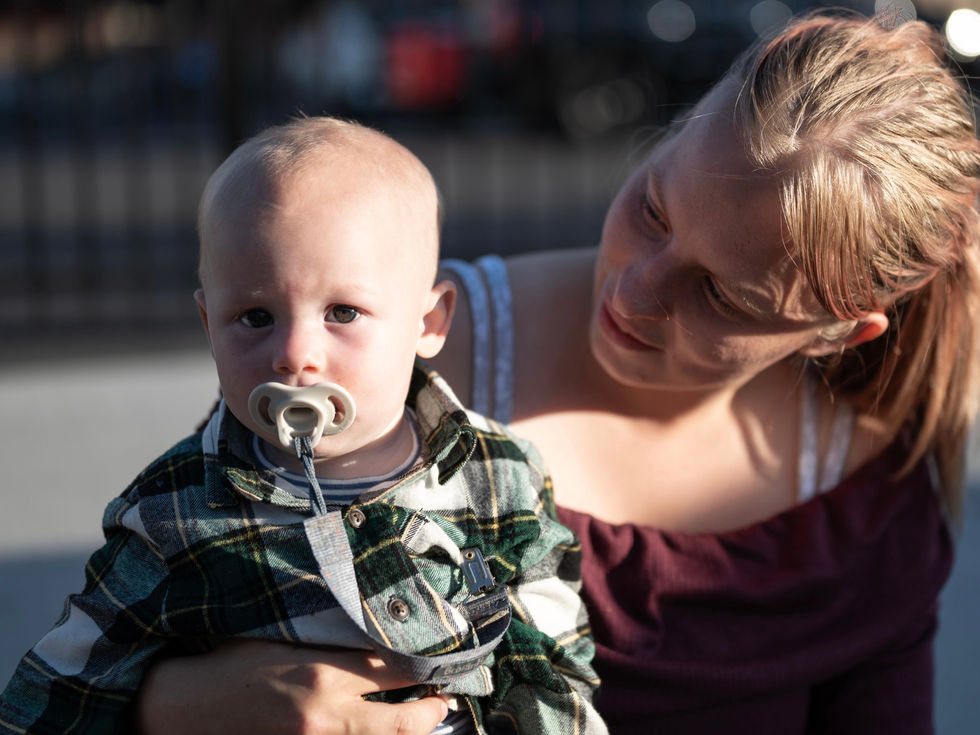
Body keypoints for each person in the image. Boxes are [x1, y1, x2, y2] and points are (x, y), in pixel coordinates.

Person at [135, 9, 980, 735]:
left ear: (839, 331)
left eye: (722, 293)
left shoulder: (866, 500)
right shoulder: (394, 358)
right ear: (678, 130)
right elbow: (142, 610)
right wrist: (176, 705)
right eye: (653, 208)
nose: (636, 288)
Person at [0, 117, 606, 735]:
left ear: (428, 323)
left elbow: (555, 655)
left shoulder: (498, 471)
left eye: (342, 311)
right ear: (209, 324)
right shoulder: (175, 511)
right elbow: (60, 689)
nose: (295, 352)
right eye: (255, 315)